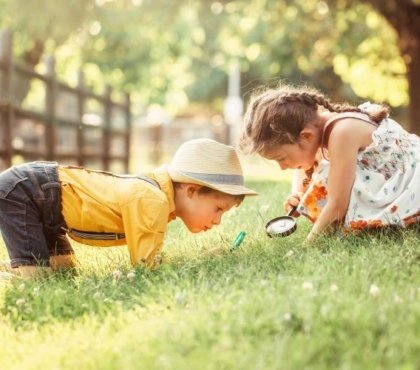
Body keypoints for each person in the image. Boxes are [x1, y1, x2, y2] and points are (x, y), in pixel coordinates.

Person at [0, 138, 257, 279]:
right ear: (191, 190)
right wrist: (202, 262)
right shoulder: (152, 200)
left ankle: (12, 267)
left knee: (64, 272)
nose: (218, 221)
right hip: (28, 191)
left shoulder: (158, 199)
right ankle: (20, 270)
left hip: (49, 203)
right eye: (218, 209)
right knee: (38, 282)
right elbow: (146, 269)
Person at [239, 83, 420, 243]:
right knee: (324, 177)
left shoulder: (342, 132)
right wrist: (298, 193)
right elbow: (305, 166)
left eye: (281, 158)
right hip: (396, 179)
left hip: (414, 183)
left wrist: (308, 244)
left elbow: (337, 204)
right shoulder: (319, 127)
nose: (282, 167)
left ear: (306, 136)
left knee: (327, 181)